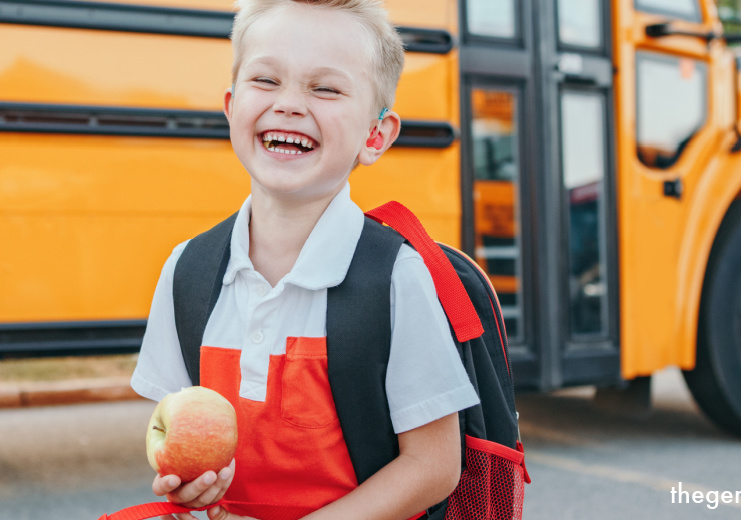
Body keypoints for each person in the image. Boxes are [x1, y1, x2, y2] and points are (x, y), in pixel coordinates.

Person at [130, 1, 479, 519]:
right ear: (231, 106)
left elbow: (434, 466)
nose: (289, 104)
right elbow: (175, 430)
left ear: (375, 135)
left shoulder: (395, 277)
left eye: (325, 88)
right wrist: (192, 485)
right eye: (266, 80)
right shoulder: (188, 270)